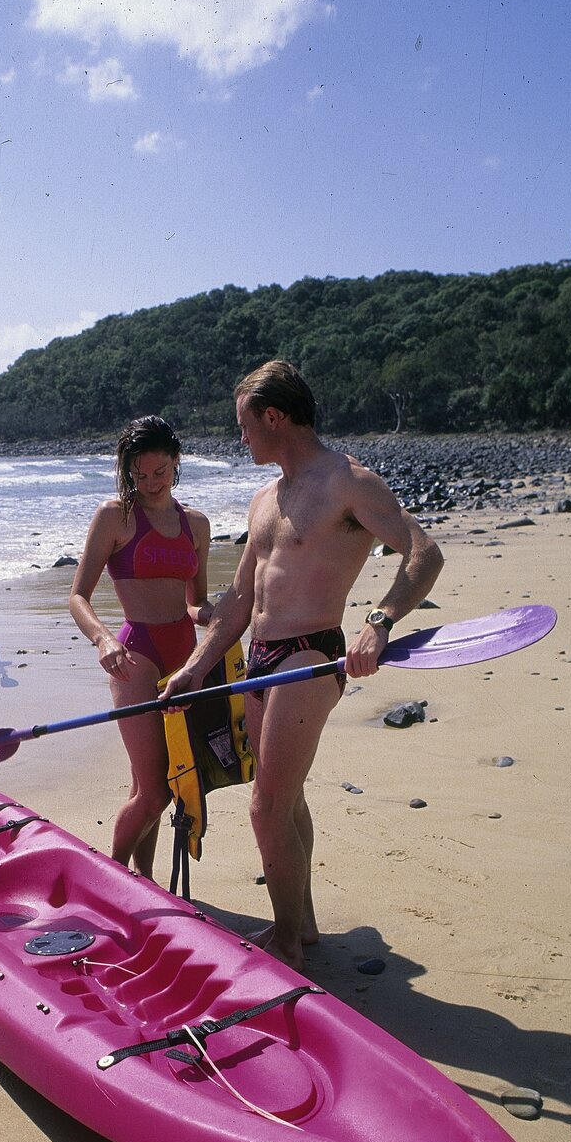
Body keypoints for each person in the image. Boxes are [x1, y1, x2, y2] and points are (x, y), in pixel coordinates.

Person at [160, 360, 444, 968]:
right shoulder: (266, 497)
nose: (241, 440)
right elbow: (240, 598)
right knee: (285, 801)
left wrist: (381, 620)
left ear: (274, 416)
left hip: (310, 655)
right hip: (260, 660)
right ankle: (304, 923)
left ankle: (286, 939)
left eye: (244, 426)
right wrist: (194, 667)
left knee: (265, 805)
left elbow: (423, 551)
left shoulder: (349, 483)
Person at [69, 416, 213, 877]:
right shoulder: (116, 516)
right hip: (135, 655)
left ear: (176, 462)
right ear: (128, 470)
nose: (150, 483)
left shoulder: (197, 524)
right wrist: (103, 638)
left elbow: (196, 603)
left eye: (160, 472)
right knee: (154, 792)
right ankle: (114, 877)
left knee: (163, 785)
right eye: (140, 474)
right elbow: (77, 596)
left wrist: (219, 614)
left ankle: (143, 880)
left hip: (185, 659)